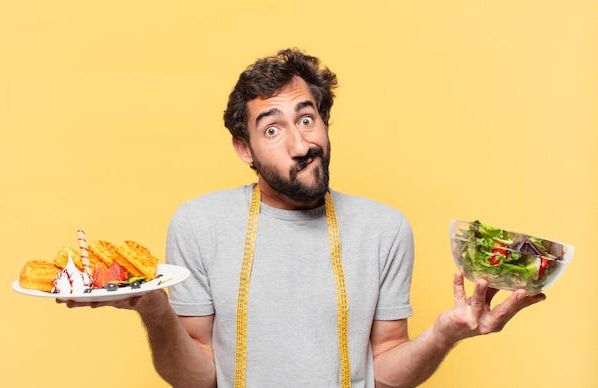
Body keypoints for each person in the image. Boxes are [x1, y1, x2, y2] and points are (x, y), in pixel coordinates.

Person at [60, 48, 546, 388]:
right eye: (272, 129)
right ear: (243, 149)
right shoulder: (198, 224)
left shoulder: (385, 229)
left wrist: (444, 334)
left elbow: (385, 372)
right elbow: (198, 377)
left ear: (324, 123)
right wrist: (154, 309)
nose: (301, 145)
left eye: (307, 118)